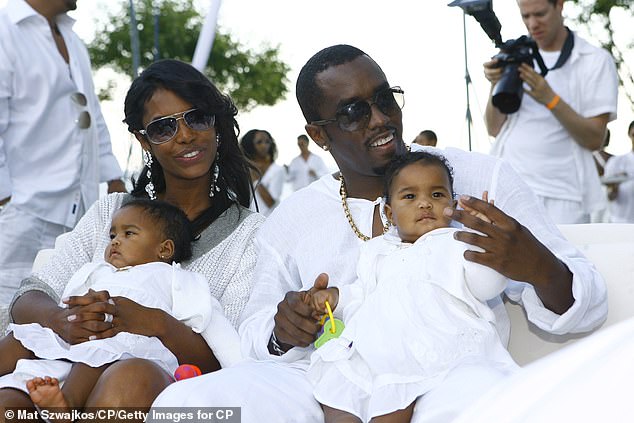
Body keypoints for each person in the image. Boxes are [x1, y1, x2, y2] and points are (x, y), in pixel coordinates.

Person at [151, 45, 606, 423]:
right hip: (326, 380)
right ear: (318, 134)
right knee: (184, 407)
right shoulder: (293, 218)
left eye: (385, 99)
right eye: (352, 113)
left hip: (448, 373)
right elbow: (254, 336)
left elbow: (588, 304)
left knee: (488, 408)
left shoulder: (481, 176)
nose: (380, 118)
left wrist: (538, 267)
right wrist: (283, 329)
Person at [0, 59, 264, 411]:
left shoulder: (250, 235)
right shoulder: (110, 212)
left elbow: (230, 357)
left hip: (180, 397)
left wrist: (154, 322)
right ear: (144, 140)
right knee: (8, 403)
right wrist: (60, 319)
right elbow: (32, 295)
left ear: (215, 123)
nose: (185, 135)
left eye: (198, 117)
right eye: (163, 128)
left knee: (130, 380)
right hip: (60, 368)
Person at [307, 151, 517, 423]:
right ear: (390, 213)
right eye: (410, 196)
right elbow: (363, 292)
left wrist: (485, 242)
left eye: (437, 195)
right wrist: (336, 297)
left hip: (438, 340)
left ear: (453, 206)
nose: (425, 204)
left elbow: (487, 285)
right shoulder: (377, 251)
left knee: (393, 398)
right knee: (340, 389)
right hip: (378, 346)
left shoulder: (457, 243)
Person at [0, 199, 240, 413]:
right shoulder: (98, 271)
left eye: (129, 234)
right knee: (22, 337)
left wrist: (238, 365)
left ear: (164, 249)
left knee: (104, 348)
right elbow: (69, 297)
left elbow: (213, 327)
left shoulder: (176, 278)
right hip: (78, 336)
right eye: (113, 235)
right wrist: (69, 317)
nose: (115, 242)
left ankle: (68, 403)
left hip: (126, 343)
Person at [0, 0, 126, 303]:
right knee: (6, 312)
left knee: (57, 317)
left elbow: (91, 113)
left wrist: (114, 178)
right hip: (21, 214)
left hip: (78, 213)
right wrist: (6, 201)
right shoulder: (4, 30)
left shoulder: (73, 39)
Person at [484, 0, 618, 224]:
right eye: (525, 16)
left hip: (564, 195)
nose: (532, 24)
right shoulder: (516, 54)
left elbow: (595, 139)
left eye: (540, 14)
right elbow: (494, 128)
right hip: (510, 187)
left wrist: (550, 99)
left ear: (560, 5)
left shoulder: (594, 60)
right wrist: (495, 83)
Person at [240, 129, 286, 216]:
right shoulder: (243, 169)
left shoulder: (277, 170)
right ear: (250, 145)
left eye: (267, 141)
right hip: (248, 221)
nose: (264, 145)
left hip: (270, 219)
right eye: (259, 142)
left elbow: (270, 202)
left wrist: (255, 177)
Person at [603, 120, 634, 223]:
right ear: (629, 135)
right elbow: (610, 196)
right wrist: (615, 186)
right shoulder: (617, 162)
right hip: (621, 222)